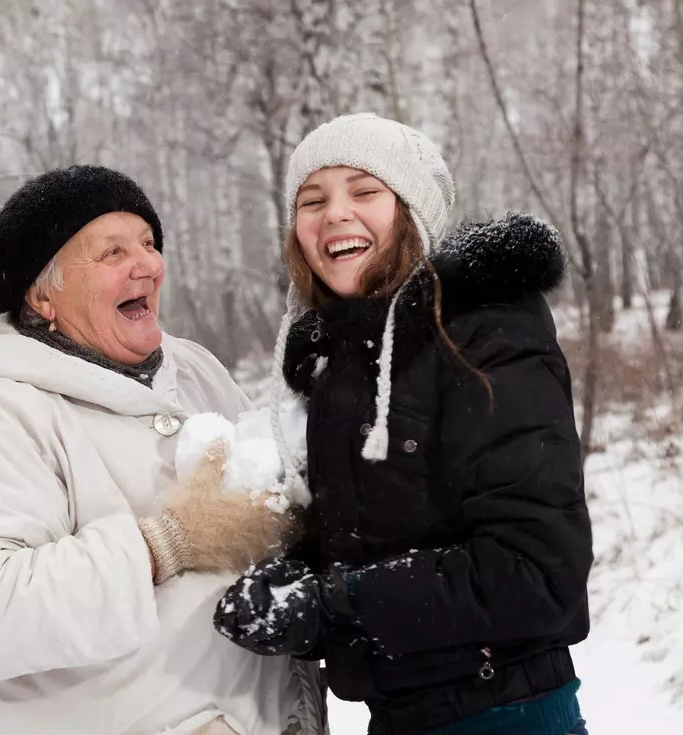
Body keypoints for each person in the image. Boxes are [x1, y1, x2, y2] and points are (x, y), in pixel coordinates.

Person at [0, 165, 323, 735]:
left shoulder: (192, 368)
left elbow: (262, 497)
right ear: (43, 294)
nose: (148, 264)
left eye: (148, 243)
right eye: (112, 253)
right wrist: (163, 544)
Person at [214, 113, 593, 735]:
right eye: (313, 200)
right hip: (396, 718)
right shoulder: (340, 365)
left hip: (506, 714)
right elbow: (382, 537)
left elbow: (536, 570)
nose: (336, 212)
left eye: (365, 192)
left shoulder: (485, 333)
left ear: (412, 211)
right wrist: (297, 582)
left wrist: (335, 603)